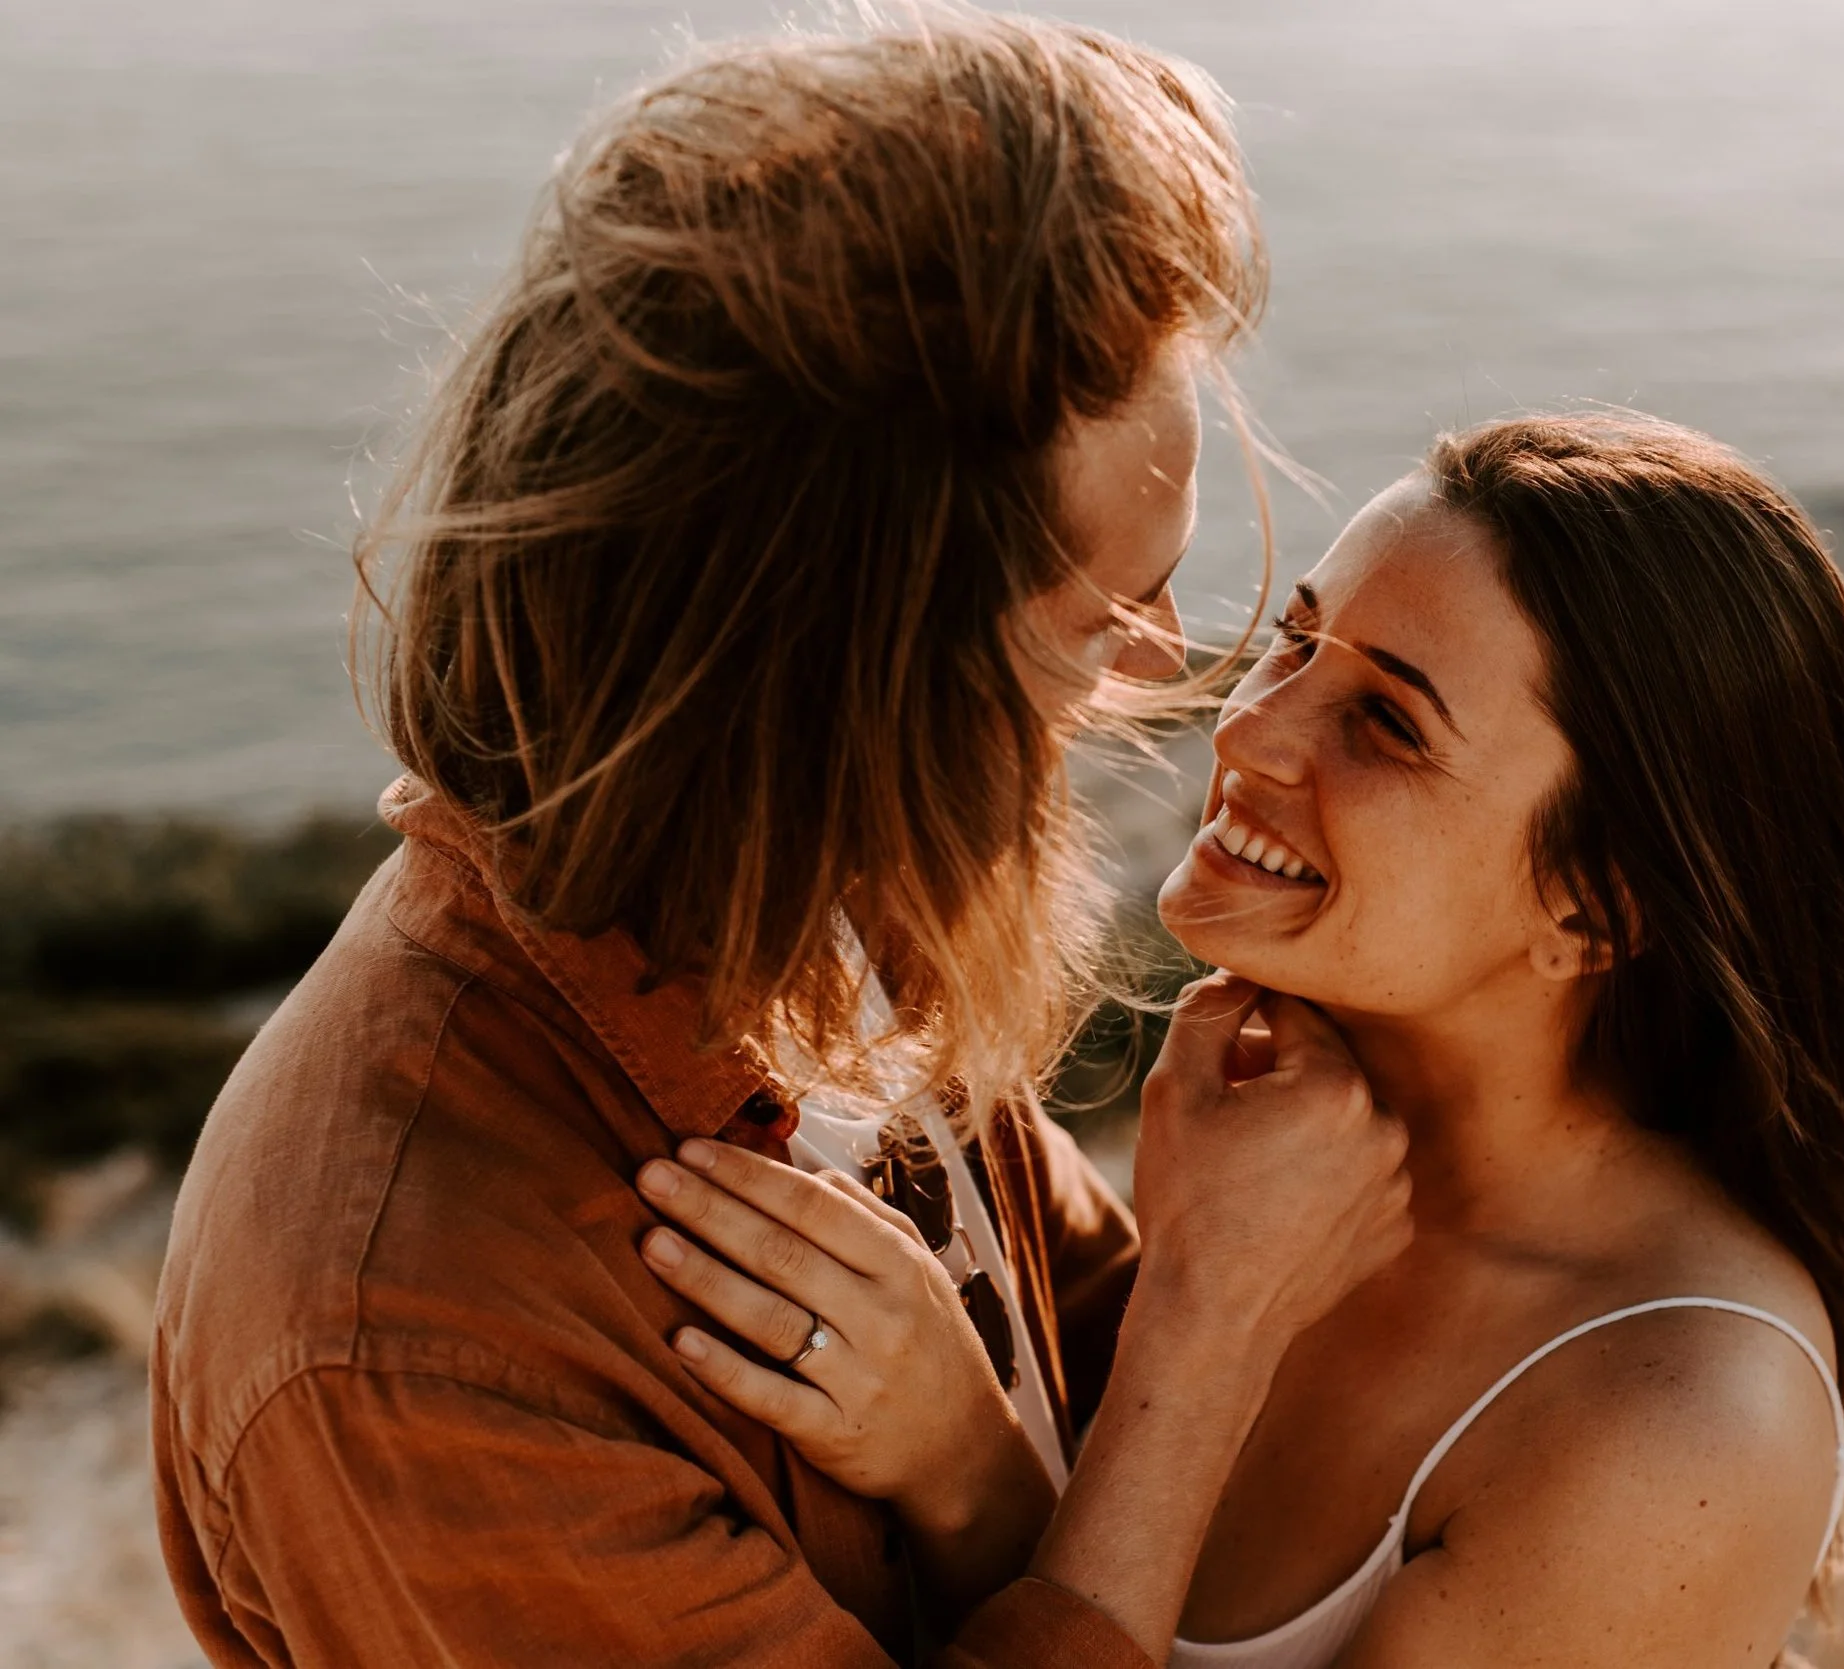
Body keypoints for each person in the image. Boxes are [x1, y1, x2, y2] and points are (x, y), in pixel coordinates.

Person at [150, 17, 1409, 1667]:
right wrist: (1215, 1323)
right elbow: (1162, 1414)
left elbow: (1085, 1376)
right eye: (1107, 601)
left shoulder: (831, 901)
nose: (1167, 658)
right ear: (848, 672)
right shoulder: (419, 1339)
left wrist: (996, 1459)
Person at [648, 412, 1844, 1665]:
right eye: (1295, 641)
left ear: (1598, 906)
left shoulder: (1683, 1418)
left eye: (1387, 722)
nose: (1251, 727)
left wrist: (965, 1469)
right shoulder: (1276, 1141)